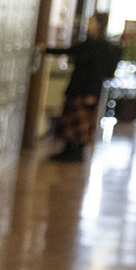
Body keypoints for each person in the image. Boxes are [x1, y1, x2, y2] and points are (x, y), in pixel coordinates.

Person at [44, 13, 122, 161]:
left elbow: (100, 72)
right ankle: (69, 150)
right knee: (72, 120)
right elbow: (69, 50)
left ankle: (76, 153)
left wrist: (92, 93)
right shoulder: (90, 44)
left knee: (80, 122)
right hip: (79, 89)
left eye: (91, 22)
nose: (88, 25)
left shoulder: (101, 47)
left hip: (86, 92)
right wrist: (45, 50)